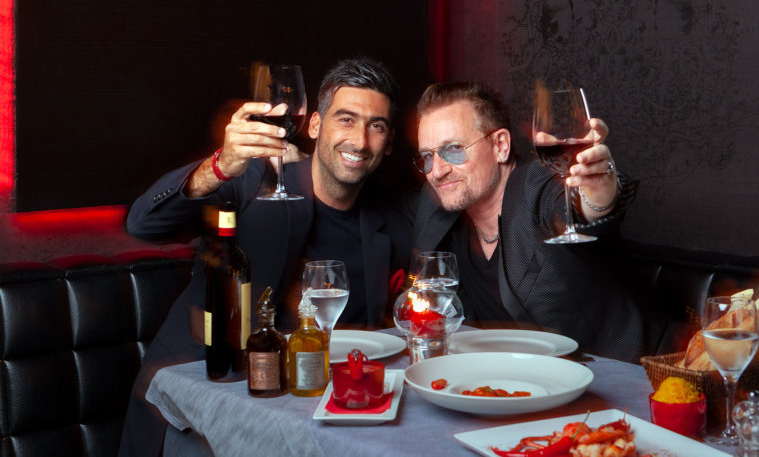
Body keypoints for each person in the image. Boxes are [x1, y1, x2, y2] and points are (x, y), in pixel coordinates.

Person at [118, 57, 411, 457]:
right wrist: (219, 166)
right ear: (314, 125)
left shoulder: (391, 223)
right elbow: (143, 223)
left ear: (389, 142)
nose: (359, 140)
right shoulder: (254, 179)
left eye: (375, 126)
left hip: (306, 417)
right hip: (203, 408)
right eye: (345, 119)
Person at [406, 81, 664, 362]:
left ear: (500, 146)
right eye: (427, 157)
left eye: (453, 150)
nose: (438, 171)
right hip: (517, 385)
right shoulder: (436, 207)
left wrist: (597, 197)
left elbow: (577, 206)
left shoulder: (536, 186)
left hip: (625, 375)